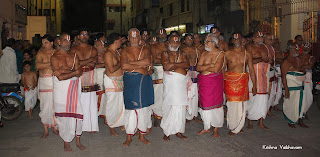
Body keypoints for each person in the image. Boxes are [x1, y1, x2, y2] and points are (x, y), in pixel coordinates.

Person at [51, 33, 86, 152]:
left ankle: (77, 141)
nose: (68, 42)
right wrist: (73, 72)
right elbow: (60, 78)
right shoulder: (54, 57)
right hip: (61, 91)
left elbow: (79, 71)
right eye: (65, 40)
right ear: (59, 42)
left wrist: (65, 71)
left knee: (77, 114)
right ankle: (66, 142)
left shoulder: (74, 56)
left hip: (74, 89)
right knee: (63, 116)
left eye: (69, 40)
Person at [121, 28, 154, 147]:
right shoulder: (124, 51)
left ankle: (142, 136)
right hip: (130, 81)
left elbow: (147, 62)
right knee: (130, 109)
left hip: (143, 81)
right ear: (128, 38)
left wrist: (132, 64)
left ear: (139, 38)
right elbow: (124, 66)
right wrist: (139, 65)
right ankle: (129, 136)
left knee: (143, 109)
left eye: (136, 36)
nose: (134, 39)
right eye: (132, 36)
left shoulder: (145, 49)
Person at [224, 33, 257, 136]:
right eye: (235, 38)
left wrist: (255, 85)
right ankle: (233, 126)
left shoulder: (247, 54)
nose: (237, 40)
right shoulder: (227, 53)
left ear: (241, 40)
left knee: (242, 105)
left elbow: (251, 70)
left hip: (242, 81)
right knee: (231, 105)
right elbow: (222, 69)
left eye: (239, 38)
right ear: (232, 41)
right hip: (230, 82)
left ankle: (239, 126)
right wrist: (222, 83)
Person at [160, 35, 190, 141]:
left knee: (180, 108)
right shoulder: (165, 53)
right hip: (171, 83)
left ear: (179, 43)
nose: (175, 43)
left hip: (180, 84)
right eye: (173, 41)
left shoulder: (183, 53)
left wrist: (173, 65)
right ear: (168, 42)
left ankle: (179, 131)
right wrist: (180, 65)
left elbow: (188, 64)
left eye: (177, 42)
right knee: (169, 106)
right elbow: (166, 67)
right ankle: (167, 132)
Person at [70, 28, 99, 133]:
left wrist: (82, 62)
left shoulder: (93, 49)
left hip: (90, 77)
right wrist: (89, 60)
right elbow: (74, 64)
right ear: (78, 36)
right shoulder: (73, 49)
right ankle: (77, 127)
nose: (84, 36)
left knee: (91, 102)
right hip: (77, 78)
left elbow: (93, 63)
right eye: (82, 34)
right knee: (78, 102)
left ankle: (91, 127)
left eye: (86, 34)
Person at [196, 34, 225, 137]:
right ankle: (206, 127)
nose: (205, 43)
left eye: (207, 41)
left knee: (216, 105)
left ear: (213, 43)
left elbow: (216, 69)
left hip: (214, 82)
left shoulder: (220, 54)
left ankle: (216, 128)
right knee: (204, 105)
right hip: (204, 82)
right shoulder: (204, 53)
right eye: (205, 41)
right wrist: (210, 66)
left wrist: (206, 67)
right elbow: (198, 68)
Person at [101, 33, 125, 136]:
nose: (121, 42)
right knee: (111, 104)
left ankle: (120, 122)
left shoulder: (117, 52)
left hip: (120, 80)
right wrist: (121, 63)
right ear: (116, 41)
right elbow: (111, 69)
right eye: (120, 40)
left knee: (120, 103)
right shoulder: (108, 53)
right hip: (111, 81)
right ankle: (111, 126)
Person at [246, 31, 270, 130]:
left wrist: (268, 60)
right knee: (252, 97)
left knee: (263, 99)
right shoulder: (249, 47)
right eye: (257, 37)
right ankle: (250, 121)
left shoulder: (265, 47)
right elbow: (249, 61)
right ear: (253, 38)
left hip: (264, 75)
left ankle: (261, 121)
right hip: (253, 75)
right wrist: (261, 59)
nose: (260, 38)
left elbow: (267, 59)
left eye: (261, 37)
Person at [36, 34, 58, 138]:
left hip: (54, 80)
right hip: (44, 81)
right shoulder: (40, 53)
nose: (44, 45)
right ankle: (45, 130)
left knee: (55, 104)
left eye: (46, 42)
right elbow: (38, 66)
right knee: (44, 106)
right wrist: (50, 64)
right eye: (43, 43)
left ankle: (55, 128)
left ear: (51, 43)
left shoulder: (56, 52)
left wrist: (49, 64)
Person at [281, 44, 308, 128]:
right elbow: (283, 76)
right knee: (291, 102)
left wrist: (301, 73)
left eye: (297, 49)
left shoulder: (299, 59)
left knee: (301, 102)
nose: (297, 51)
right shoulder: (286, 61)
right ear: (290, 50)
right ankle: (291, 120)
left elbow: (302, 69)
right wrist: (286, 89)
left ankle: (300, 119)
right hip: (290, 85)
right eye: (295, 49)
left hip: (300, 84)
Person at [150, 28, 168, 126]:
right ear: (157, 36)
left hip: (167, 71)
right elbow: (154, 60)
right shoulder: (153, 47)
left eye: (163, 34)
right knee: (157, 93)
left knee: (166, 93)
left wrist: (162, 60)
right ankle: (156, 115)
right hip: (157, 71)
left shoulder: (169, 45)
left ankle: (165, 114)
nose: (162, 36)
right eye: (160, 34)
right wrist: (165, 60)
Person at [182, 34, 201, 123]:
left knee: (195, 94)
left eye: (191, 39)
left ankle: (194, 114)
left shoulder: (197, 50)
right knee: (186, 94)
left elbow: (200, 62)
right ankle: (186, 115)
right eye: (187, 39)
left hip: (195, 72)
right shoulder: (182, 51)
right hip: (185, 72)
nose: (189, 41)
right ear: (184, 41)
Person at [263, 34, 276, 117]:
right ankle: (263, 110)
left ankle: (267, 109)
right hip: (264, 73)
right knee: (265, 93)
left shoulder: (272, 48)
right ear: (264, 39)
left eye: (272, 39)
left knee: (271, 92)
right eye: (269, 39)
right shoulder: (263, 48)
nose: (271, 41)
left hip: (272, 72)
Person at [300, 42, 315, 119]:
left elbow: (310, 65)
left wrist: (301, 66)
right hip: (300, 77)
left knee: (308, 96)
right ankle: (301, 113)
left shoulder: (311, 57)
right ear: (302, 48)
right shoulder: (298, 56)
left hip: (308, 77)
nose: (306, 49)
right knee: (301, 95)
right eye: (305, 47)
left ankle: (305, 112)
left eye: (308, 48)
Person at [94, 40, 106, 114]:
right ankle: (97, 112)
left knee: (105, 94)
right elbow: (93, 65)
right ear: (95, 46)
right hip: (98, 75)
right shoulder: (93, 54)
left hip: (105, 75)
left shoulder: (106, 53)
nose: (103, 47)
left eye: (103, 45)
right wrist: (106, 63)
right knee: (98, 93)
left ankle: (103, 113)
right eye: (101, 45)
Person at [273, 38, 284, 111]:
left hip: (281, 71)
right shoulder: (271, 51)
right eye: (277, 42)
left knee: (279, 90)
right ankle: (273, 105)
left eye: (279, 42)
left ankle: (276, 104)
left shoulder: (281, 52)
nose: (278, 44)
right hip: (275, 71)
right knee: (274, 89)